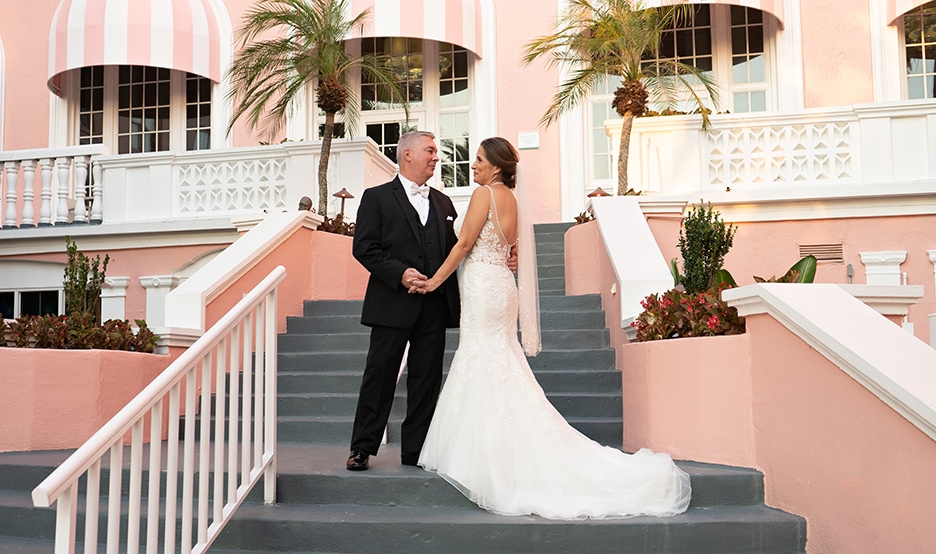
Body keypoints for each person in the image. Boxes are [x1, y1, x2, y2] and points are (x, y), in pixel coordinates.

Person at [410, 137, 692, 520]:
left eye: (478, 159)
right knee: (497, 359)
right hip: (500, 287)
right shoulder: (511, 198)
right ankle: (500, 445)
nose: (472, 165)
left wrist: (433, 281)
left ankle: (488, 455)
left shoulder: (484, 195)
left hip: (482, 286)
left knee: (483, 357)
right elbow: (511, 250)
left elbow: (462, 245)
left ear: (495, 165)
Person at [346, 131, 462, 471]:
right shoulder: (376, 197)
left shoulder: (444, 203)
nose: (435, 157)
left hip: (434, 306)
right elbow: (364, 247)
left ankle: (416, 450)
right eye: (430, 151)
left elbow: (456, 250)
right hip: (392, 303)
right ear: (407, 154)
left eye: (435, 152)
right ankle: (362, 447)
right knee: (378, 377)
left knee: (426, 380)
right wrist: (400, 274)